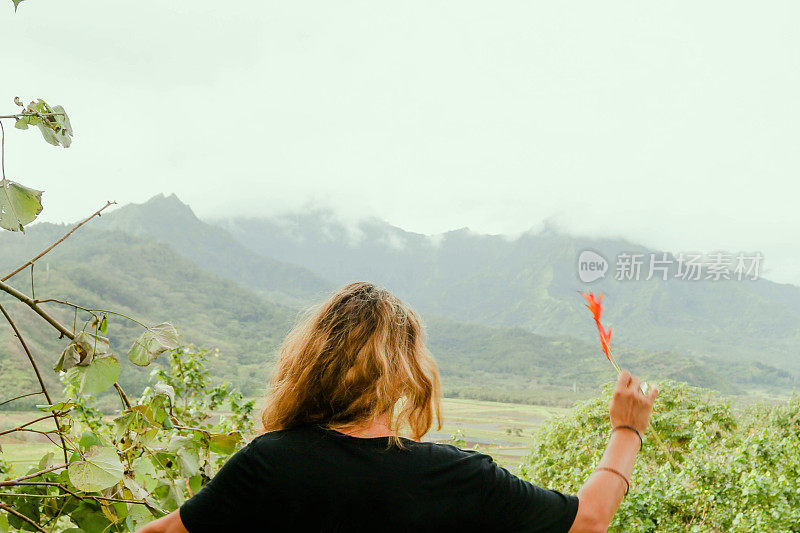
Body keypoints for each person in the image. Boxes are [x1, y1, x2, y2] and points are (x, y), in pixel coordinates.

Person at [137, 282, 658, 533]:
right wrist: (626, 430)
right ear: (408, 374)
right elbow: (588, 520)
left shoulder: (267, 464)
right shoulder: (456, 475)